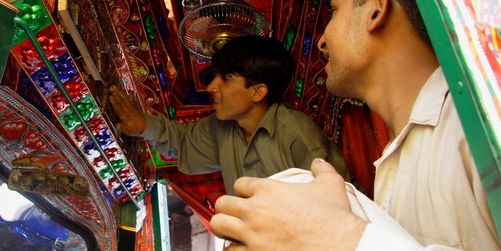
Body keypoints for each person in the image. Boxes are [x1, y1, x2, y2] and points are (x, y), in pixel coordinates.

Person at [209, 0, 501, 251]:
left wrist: (343, 244)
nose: (321, 41)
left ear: (376, 9)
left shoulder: (487, 119)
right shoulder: (396, 166)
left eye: (335, 10)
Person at [109, 35, 348, 194]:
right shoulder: (221, 127)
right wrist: (142, 125)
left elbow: (338, 206)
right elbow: (183, 141)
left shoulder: (296, 135)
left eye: (225, 78)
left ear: (257, 92)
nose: (211, 87)